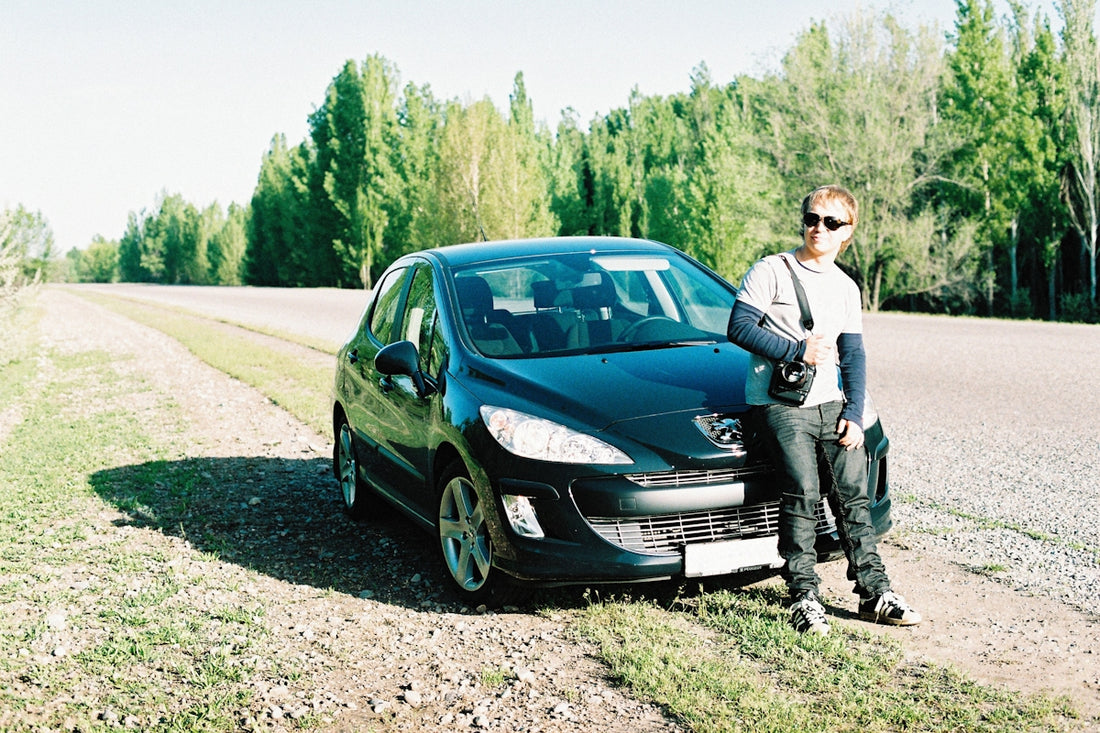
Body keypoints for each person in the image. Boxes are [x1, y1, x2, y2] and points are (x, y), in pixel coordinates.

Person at [727, 184, 921, 635]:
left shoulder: (846, 288)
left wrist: (854, 412)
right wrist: (796, 349)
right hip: (780, 404)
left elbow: (853, 356)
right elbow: (738, 326)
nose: (819, 228)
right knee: (801, 492)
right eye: (812, 218)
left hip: (830, 404)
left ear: (847, 232)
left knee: (853, 496)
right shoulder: (771, 270)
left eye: (831, 222)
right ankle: (804, 597)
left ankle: (875, 592)